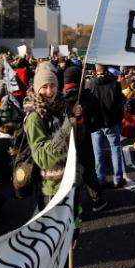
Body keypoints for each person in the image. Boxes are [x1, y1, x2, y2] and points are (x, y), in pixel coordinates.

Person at [24, 62, 79, 210]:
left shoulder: (59, 106)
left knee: (73, 226)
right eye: (44, 86)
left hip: (68, 179)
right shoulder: (34, 117)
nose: (49, 91)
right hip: (51, 188)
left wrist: (73, 117)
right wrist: (66, 128)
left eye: (53, 85)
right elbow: (42, 157)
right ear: (37, 89)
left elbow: (68, 142)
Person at [61, 65, 108, 213]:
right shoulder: (88, 96)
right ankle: (97, 201)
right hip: (84, 141)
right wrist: (87, 127)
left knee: (67, 173)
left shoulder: (58, 99)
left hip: (63, 143)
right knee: (88, 171)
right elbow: (100, 121)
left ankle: (71, 207)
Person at [87, 64, 125, 188]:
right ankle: (117, 179)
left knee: (98, 152)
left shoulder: (90, 84)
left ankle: (100, 179)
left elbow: (87, 105)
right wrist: (119, 120)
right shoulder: (114, 83)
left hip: (96, 124)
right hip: (111, 121)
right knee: (115, 150)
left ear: (96, 70)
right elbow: (120, 104)